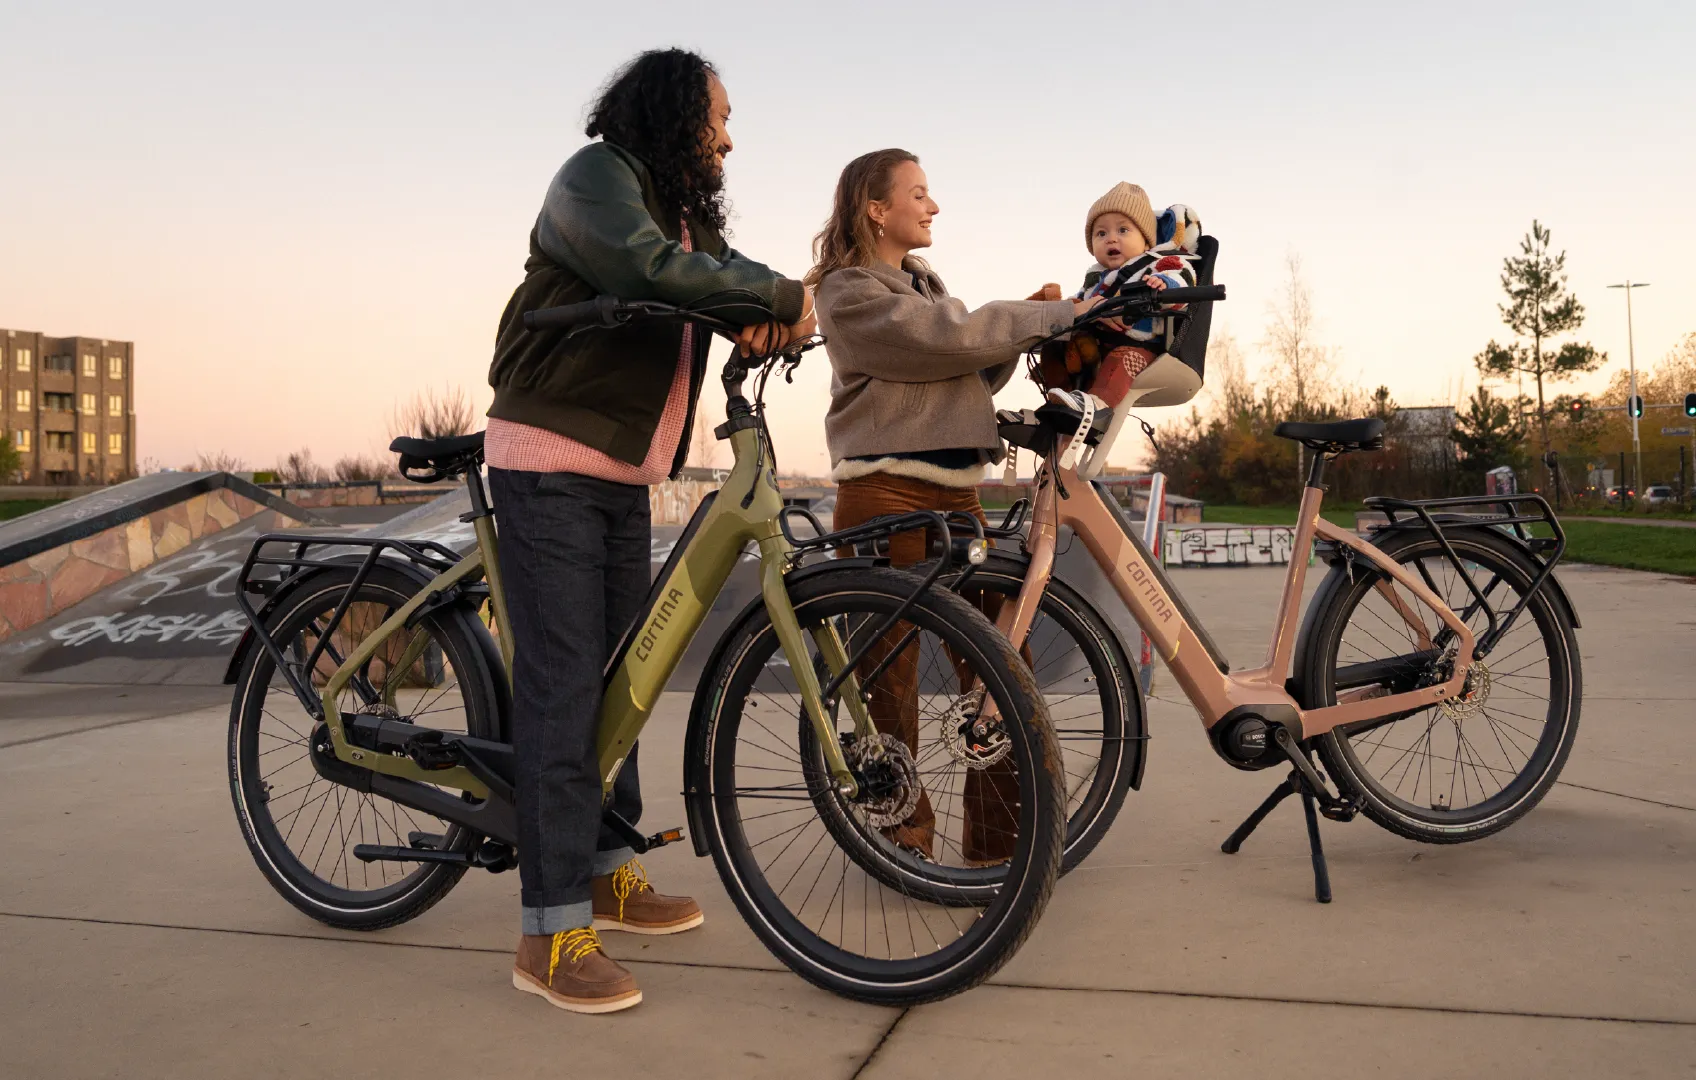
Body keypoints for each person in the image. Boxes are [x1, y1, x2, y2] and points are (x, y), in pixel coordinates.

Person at [485, 48, 815, 1015]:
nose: (728, 138)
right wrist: (775, 299)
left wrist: (760, 312)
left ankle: (604, 871)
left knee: (620, 681)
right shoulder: (594, 179)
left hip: (621, 475)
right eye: (720, 117)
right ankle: (548, 931)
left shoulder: (681, 214)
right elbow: (649, 271)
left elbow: (712, 275)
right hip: (550, 459)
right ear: (674, 114)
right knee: (563, 688)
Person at [806, 148, 1095, 863]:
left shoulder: (923, 284)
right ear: (877, 209)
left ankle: (999, 846)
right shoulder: (848, 290)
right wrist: (1045, 314)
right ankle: (904, 840)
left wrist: (1030, 324)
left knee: (1002, 662)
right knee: (888, 677)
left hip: (957, 497)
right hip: (885, 495)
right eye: (919, 193)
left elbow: (963, 367)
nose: (932, 206)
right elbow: (942, 339)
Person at [1047, 182, 1203, 406]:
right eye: (1101, 233)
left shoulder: (1159, 264)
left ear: (1146, 240)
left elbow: (1184, 279)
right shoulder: (1095, 276)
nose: (1110, 238)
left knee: (1121, 362)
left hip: (1139, 346)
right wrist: (1070, 308)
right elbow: (1082, 300)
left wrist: (1164, 285)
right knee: (1059, 351)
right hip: (1097, 346)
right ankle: (1056, 410)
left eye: (1123, 230)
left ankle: (1097, 406)